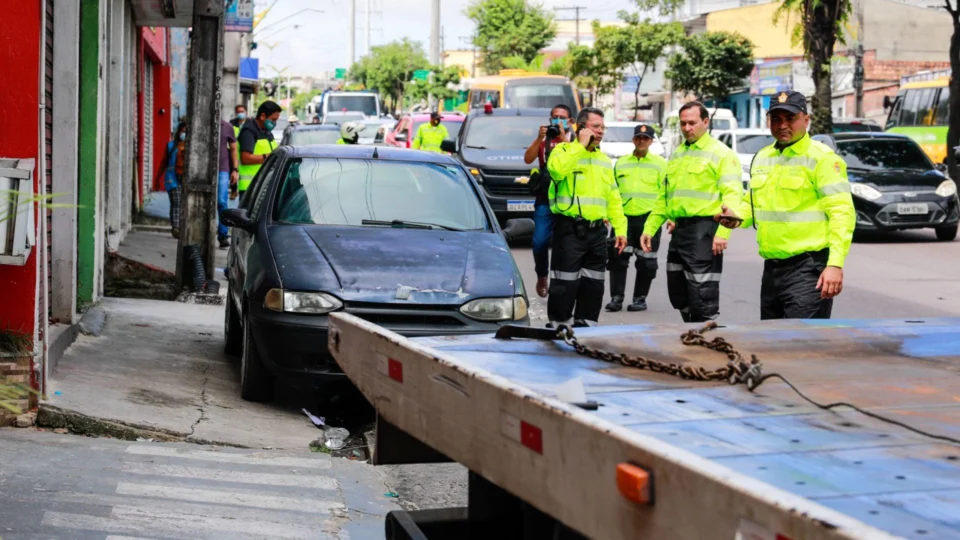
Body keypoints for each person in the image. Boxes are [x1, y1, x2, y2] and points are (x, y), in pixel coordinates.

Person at [717, 91, 855, 319]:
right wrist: (735, 216)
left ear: (806, 120)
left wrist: (835, 264)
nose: (782, 125)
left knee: (802, 345)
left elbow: (842, 214)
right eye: (776, 119)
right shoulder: (762, 157)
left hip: (808, 269)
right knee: (772, 344)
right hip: (772, 270)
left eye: (790, 118)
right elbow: (752, 204)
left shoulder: (822, 159)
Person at [640, 101, 742, 323]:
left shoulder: (721, 154)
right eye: (683, 123)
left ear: (706, 122)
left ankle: (707, 342)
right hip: (679, 232)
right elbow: (664, 197)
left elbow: (733, 196)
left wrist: (723, 233)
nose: (687, 128)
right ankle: (692, 333)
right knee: (678, 292)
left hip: (704, 233)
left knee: (702, 296)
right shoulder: (677, 154)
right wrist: (650, 227)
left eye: (692, 123)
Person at [546, 107, 627, 328]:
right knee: (565, 281)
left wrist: (620, 230)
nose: (601, 132)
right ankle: (559, 327)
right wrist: (579, 147)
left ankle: (587, 328)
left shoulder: (603, 160)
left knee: (594, 283)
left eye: (603, 127)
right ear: (581, 128)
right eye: (595, 126)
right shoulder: (563, 151)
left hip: (597, 233)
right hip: (570, 229)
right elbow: (556, 172)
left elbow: (613, 197)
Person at [605, 124, 667, 312]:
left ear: (651, 141)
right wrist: (607, 214)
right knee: (617, 259)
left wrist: (669, 217)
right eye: (638, 137)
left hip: (649, 220)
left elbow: (666, 193)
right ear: (633, 139)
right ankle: (616, 298)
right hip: (623, 219)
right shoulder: (621, 163)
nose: (641, 141)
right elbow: (611, 192)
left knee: (646, 261)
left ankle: (640, 298)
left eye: (645, 138)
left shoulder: (660, 164)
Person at [524, 104, 573, 298]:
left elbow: (574, 158)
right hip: (545, 198)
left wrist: (563, 138)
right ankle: (542, 276)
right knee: (539, 241)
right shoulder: (545, 139)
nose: (558, 120)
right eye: (555, 117)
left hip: (567, 200)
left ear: (569, 121)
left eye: (562, 117)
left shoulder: (575, 140)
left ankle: (561, 281)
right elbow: (527, 159)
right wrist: (539, 138)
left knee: (564, 243)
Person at [237, 100, 281, 194]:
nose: (275, 123)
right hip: (250, 187)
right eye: (273, 120)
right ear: (263, 116)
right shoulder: (249, 132)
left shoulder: (267, 132)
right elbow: (245, 158)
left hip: (263, 185)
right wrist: (269, 158)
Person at [155, 122, 187, 239]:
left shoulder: (192, 147)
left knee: (182, 204)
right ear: (178, 132)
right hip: (172, 178)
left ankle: (179, 226)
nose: (184, 134)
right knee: (176, 202)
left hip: (185, 179)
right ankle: (176, 227)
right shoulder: (171, 146)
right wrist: (158, 178)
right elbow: (164, 162)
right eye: (183, 131)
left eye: (186, 131)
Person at [218, 119, 239, 248]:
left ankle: (223, 234)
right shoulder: (201, 123)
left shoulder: (227, 127)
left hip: (223, 170)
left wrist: (235, 170)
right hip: (203, 170)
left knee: (221, 201)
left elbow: (234, 149)